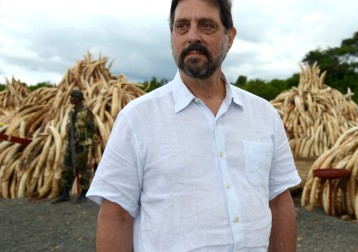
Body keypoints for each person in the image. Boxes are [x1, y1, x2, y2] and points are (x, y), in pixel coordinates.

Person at [86, 0, 301, 251]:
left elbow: (279, 202)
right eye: (182, 26)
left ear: (229, 37)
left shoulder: (264, 115)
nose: (192, 36)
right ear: (172, 37)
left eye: (206, 26)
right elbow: (117, 215)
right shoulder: (137, 120)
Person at [52, 89, 96, 204]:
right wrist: (68, 129)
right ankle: (65, 193)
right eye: (70, 96)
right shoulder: (72, 112)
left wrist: (80, 139)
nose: (70, 99)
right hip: (71, 144)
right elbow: (71, 125)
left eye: (73, 97)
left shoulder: (86, 112)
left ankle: (84, 192)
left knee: (82, 168)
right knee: (67, 167)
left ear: (79, 98)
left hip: (81, 146)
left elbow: (92, 129)